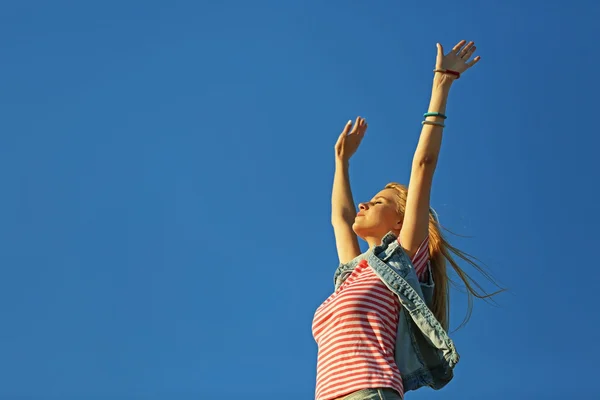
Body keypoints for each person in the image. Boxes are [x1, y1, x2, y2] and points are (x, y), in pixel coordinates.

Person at [312, 40, 502, 400]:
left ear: (400, 222)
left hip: (370, 393)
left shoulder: (403, 260)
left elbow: (423, 166)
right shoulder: (352, 272)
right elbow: (340, 218)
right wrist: (341, 163)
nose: (364, 204)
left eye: (379, 201)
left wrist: (442, 84)